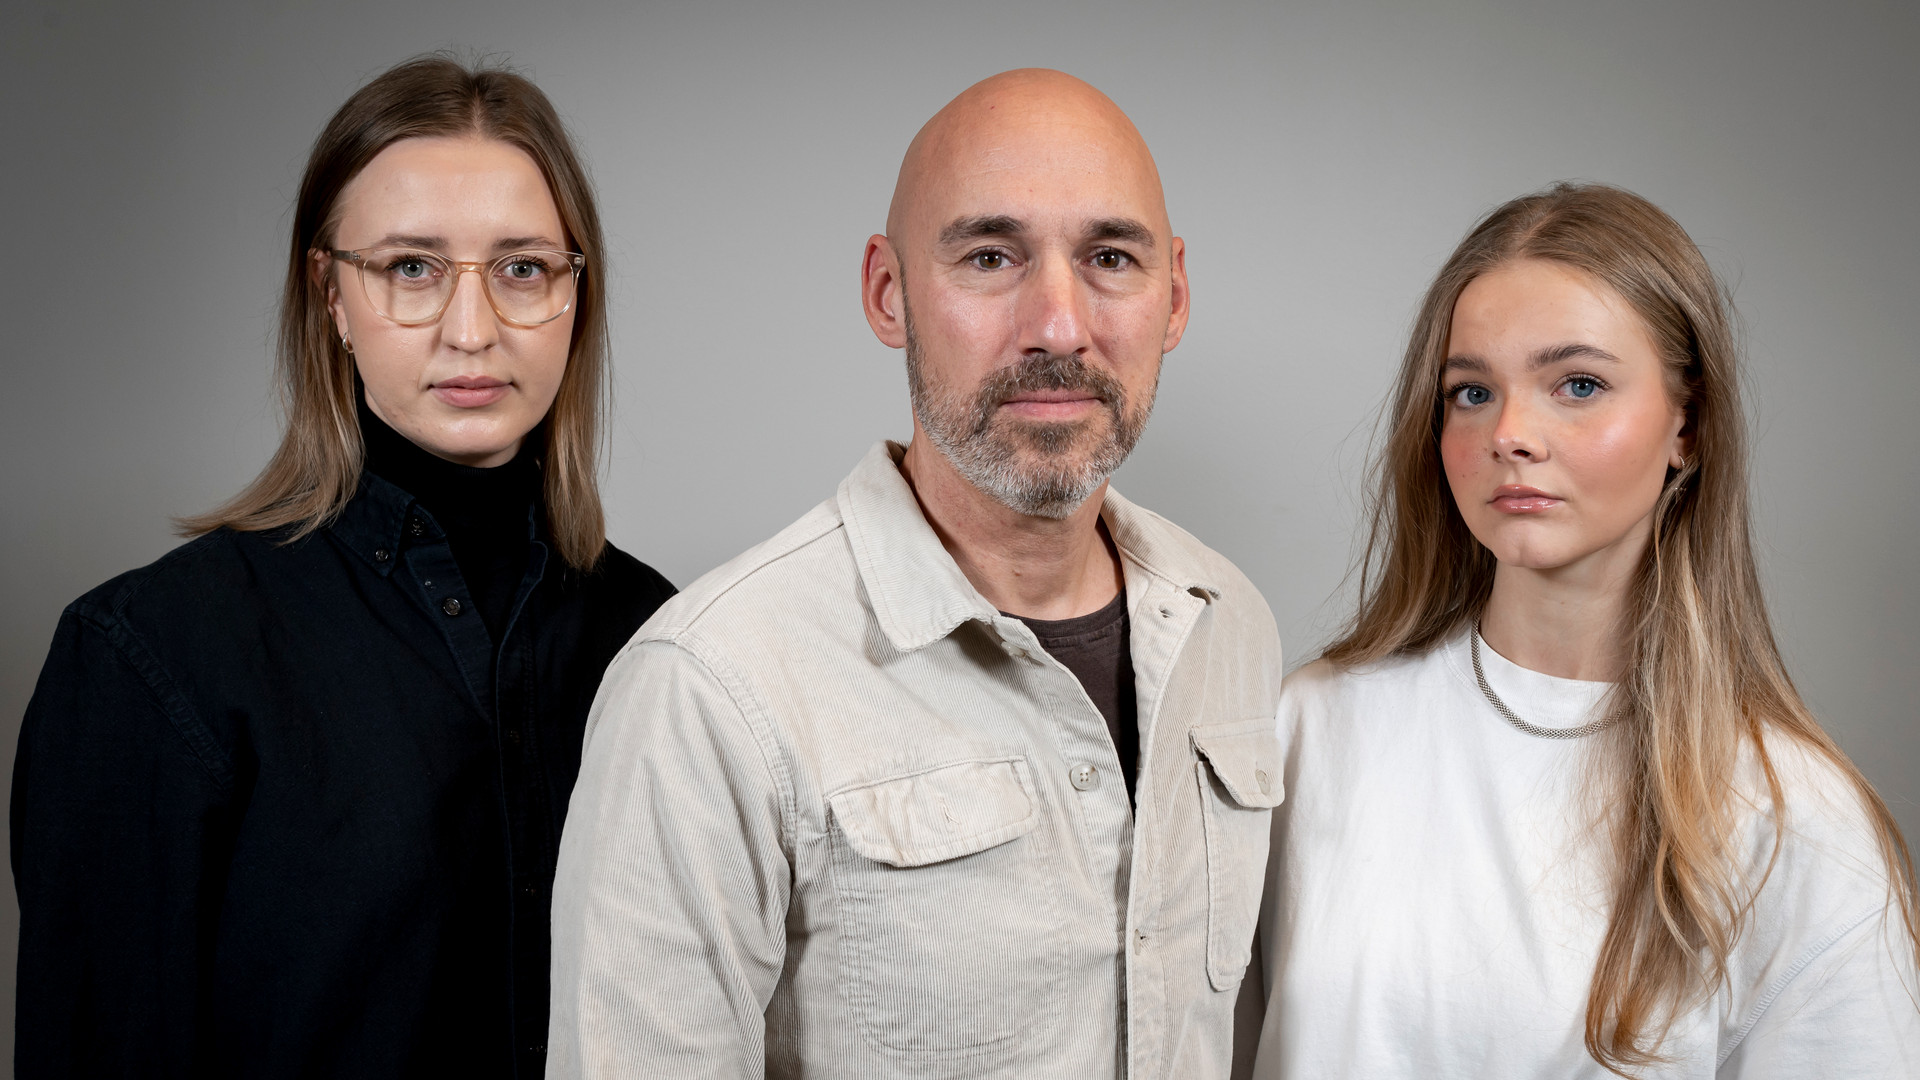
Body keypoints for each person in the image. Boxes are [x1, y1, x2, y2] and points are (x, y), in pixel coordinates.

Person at [546, 68, 1285, 1079]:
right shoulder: (708, 686)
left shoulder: (1229, 626)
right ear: (888, 294)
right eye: (991, 256)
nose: (1059, 326)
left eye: (1111, 257)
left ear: (1176, 297)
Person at [11, 56, 674, 1079]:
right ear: (330, 295)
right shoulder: (155, 656)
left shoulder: (664, 641)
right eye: (411, 267)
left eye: (522, 267)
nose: (473, 328)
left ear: (577, 296)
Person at [1251, 182, 1920, 1078]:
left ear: (1690, 425)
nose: (1512, 434)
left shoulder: (1794, 818)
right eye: (1472, 391)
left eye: (1579, 385)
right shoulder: (1314, 726)